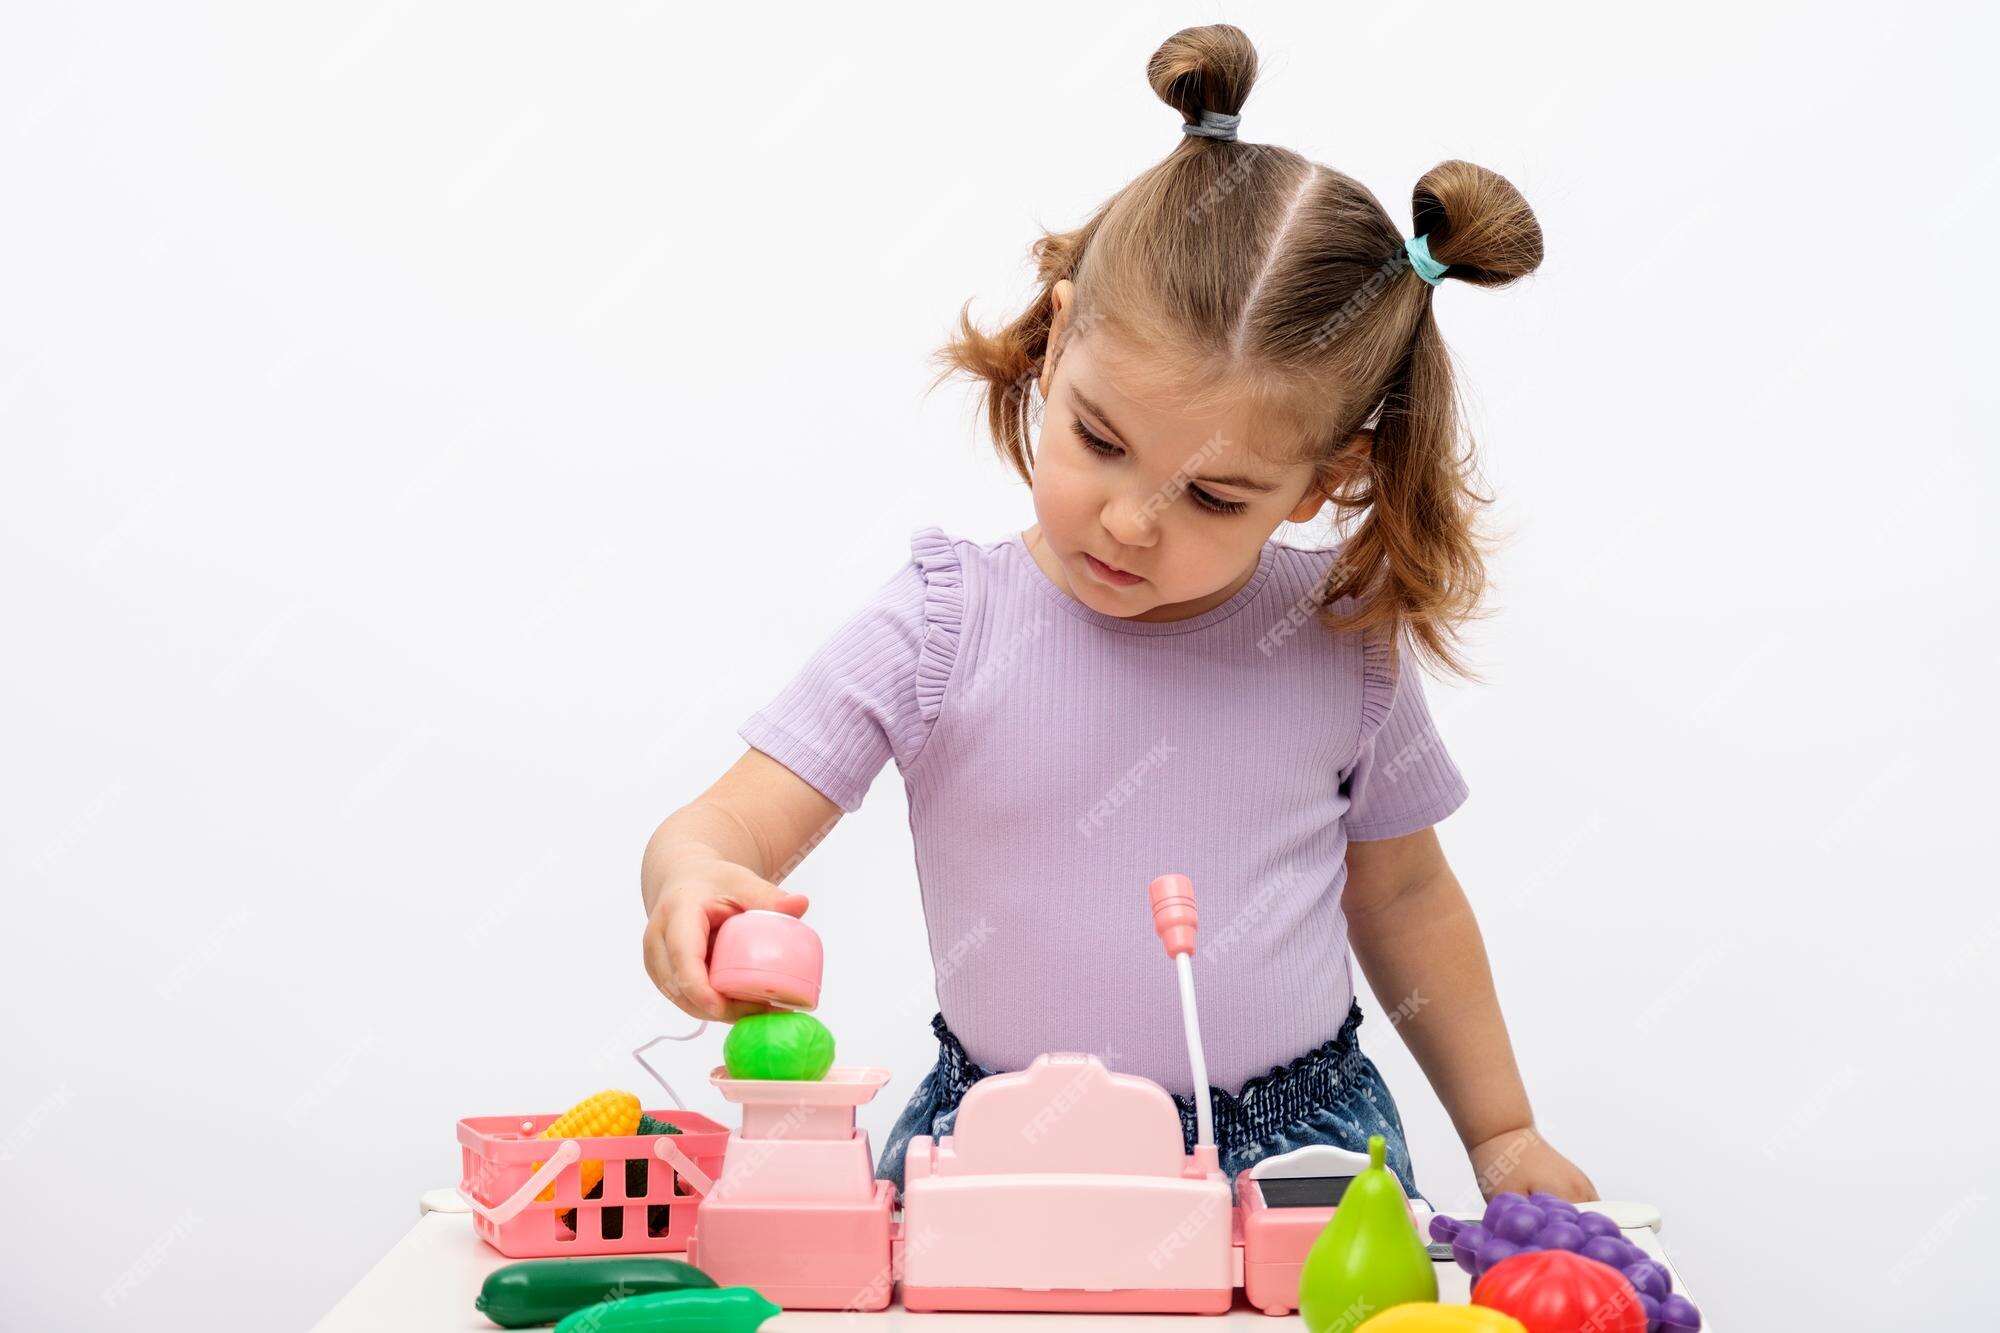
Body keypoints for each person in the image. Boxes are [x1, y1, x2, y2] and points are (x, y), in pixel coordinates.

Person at [640, 23, 1596, 1208]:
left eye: (1212, 494)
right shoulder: (944, 623)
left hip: (1300, 1158)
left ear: (1321, 481)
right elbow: (723, 824)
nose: (1132, 523)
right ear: (1054, 344)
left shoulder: (1336, 641)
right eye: (1099, 439)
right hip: (997, 1148)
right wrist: (691, 879)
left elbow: (1402, 898)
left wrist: (1500, 1133)